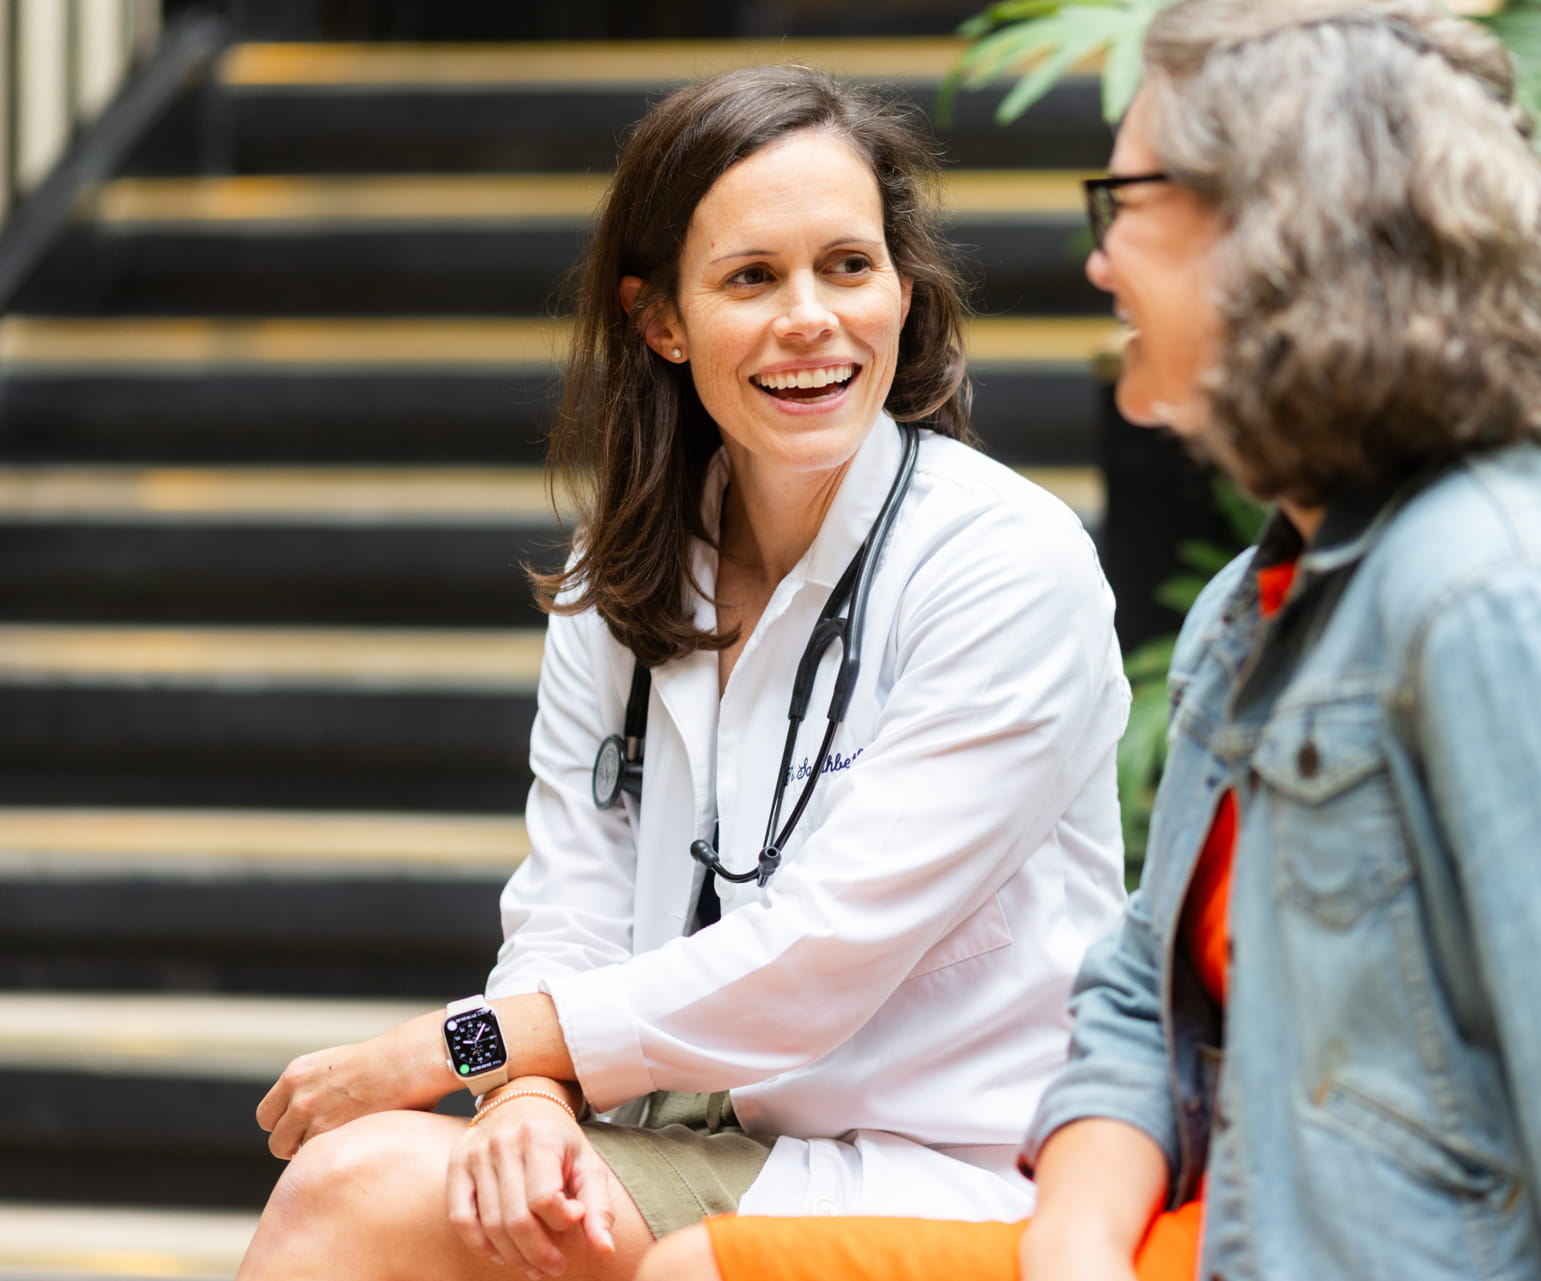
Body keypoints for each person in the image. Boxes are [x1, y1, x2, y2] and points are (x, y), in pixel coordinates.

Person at [633, 1, 1541, 1278]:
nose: (1100, 260)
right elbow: (1135, 1001)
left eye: (1126, 201)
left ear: (1282, 234)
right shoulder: (1257, 600)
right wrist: (1071, 1254)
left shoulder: (1500, 603)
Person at [235, 66, 1129, 1281]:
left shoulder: (1003, 564)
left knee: (360, 1190)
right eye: (752, 277)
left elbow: (820, 955)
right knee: (426, 1184)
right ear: (661, 319)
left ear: (904, 297)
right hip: (686, 1132)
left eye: (849, 267)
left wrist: (466, 1048)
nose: (811, 317)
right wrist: (525, 1101)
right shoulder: (629, 565)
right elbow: (572, 896)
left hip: (955, 1169)